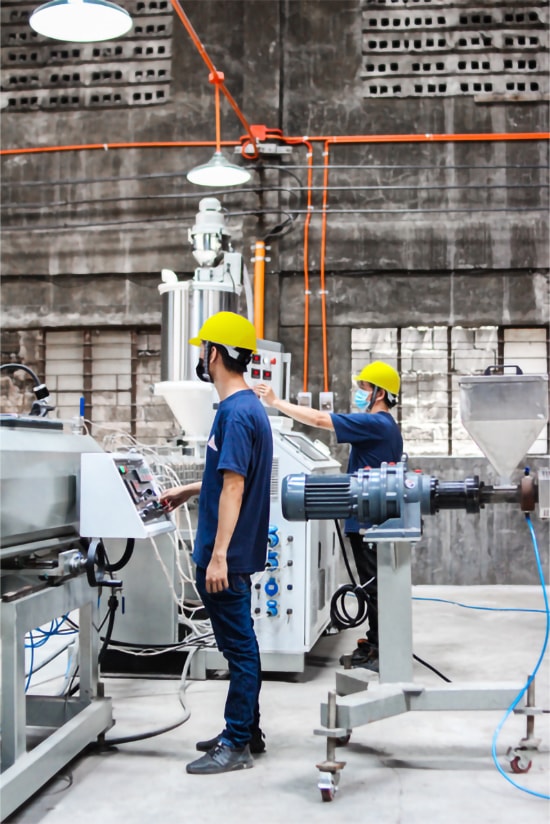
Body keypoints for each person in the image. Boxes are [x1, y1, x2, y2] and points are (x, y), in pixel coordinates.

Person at [161, 311, 273, 775]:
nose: (202, 357)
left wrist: (219, 556)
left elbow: (234, 486)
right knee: (238, 646)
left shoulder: (236, 412)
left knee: (240, 650)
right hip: (232, 552)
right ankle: (248, 730)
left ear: (215, 354)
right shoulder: (246, 408)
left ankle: (236, 742)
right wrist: (189, 491)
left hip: (226, 556)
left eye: (204, 348)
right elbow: (226, 475)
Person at [254, 360, 402, 673]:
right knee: (373, 584)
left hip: (369, 522)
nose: (359, 393)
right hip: (369, 518)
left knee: (374, 586)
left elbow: (321, 419)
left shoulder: (376, 423)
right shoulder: (384, 426)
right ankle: (377, 641)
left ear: (379, 393)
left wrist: (276, 402)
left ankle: (382, 650)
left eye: (364, 388)